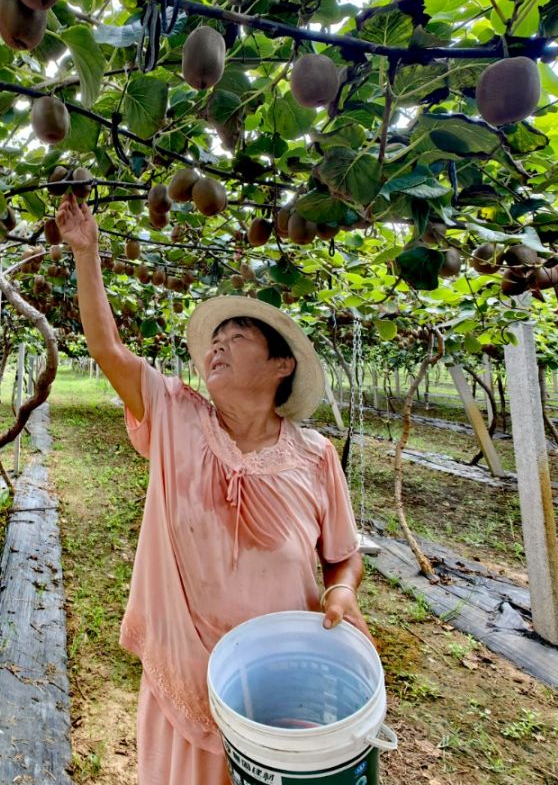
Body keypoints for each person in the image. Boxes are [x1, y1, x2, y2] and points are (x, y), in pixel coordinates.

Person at [55, 192, 369, 785]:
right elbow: (108, 350)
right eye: (214, 341)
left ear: (282, 367)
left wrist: (343, 592)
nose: (217, 346)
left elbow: (343, 554)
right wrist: (86, 253)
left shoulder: (315, 455)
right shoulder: (176, 416)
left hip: (280, 680)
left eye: (238, 337)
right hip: (187, 665)